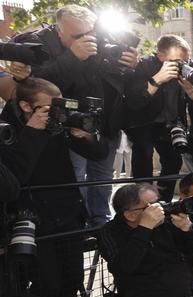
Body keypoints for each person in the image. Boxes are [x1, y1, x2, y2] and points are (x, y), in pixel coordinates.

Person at [13, 4, 138, 227]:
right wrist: (72, 56)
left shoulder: (102, 39)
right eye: (77, 35)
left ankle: (100, 222)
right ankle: (76, 223)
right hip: (64, 127)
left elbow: (115, 80)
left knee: (102, 180)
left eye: (90, 34)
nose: (87, 40)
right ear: (59, 30)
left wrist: (130, 65)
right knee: (75, 180)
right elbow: (35, 86)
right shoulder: (36, 42)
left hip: (103, 122)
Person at [0, 77, 108, 297]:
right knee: (47, 286)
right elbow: (14, 177)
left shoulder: (58, 122)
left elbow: (99, 154)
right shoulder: (6, 128)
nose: (57, 112)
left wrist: (85, 134)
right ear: (27, 106)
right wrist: (32, 132)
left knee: (71, 281)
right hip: (34, 222)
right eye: (51, 107)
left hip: (68, 215)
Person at [124, 35, 193, 202]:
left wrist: (191, 89)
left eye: (185, 60)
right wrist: (158, 79)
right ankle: (143, 202)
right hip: (144, 122)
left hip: (171, 123)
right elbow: (134, 101)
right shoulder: (144, 66)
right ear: (160, 56)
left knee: (173, 161)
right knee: (143, 156)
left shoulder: (190, 68)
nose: (182, 64)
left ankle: (163, 201)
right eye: (178, 61)